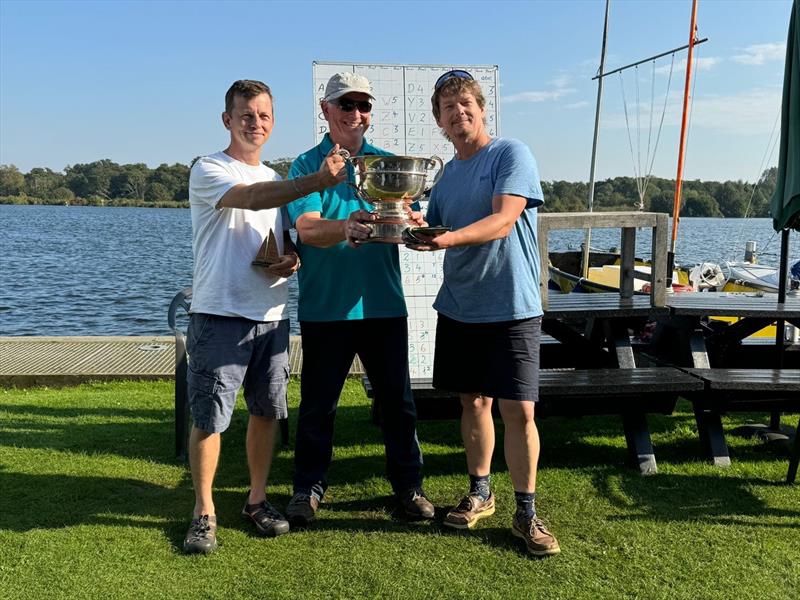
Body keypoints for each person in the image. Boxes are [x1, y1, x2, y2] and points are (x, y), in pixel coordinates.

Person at [183, 79, 347, 554]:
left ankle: (256, 500)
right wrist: (318, 179)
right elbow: (252, 200)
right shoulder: (209, 169)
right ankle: (203, 512)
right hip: (219, 313)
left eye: (264, 116)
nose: (256, 123)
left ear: (273, 122)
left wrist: (292, 258)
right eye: (246, 115)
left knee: (266, 413)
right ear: (227, 120)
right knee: (210, 417)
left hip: (272, 315)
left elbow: (282, 237)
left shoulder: (274, 175)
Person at [407, 69, 560, 556]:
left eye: (466, 103)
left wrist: (446, 238)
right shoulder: (447, 175)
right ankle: (481, 493)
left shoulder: (510, 154)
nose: (459, 113)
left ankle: (527, 512)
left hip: (511, 306)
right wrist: (406, 221)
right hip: (459, 306)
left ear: (482, 108)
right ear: (440, 122)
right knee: (472, 404)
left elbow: (502, 219)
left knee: (519, 410)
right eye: (448, 108)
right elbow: (432, 225)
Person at [283, 72, 434, 525]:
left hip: (382, 303)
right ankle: (308, 487)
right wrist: (346, 227)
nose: (355, 114)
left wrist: (409, 219)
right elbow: (306, 228)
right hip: (325, 305)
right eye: (345, 105)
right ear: (325, 111)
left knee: (397, 402)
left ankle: (409, 487)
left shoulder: (388, 164)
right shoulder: (304, 167)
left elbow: (406, 220)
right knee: (318, 404)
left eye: (363, 106)